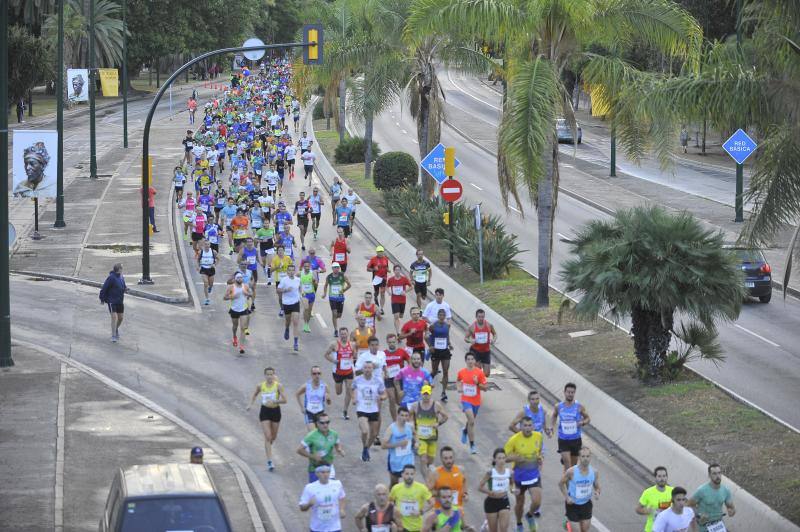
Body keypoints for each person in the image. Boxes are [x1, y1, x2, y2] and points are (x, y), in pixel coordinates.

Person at [504, 417, 543, 532]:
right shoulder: (514, 439)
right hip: (519, 477)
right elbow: (504, 458)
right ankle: (519, 523)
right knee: (520, 504)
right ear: (520, 427)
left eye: (529, 425)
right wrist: (515, 458)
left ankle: (530, 515)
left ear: (533, 426)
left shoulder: (538, 436)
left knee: (537, 501)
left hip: (533, 475)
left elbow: (539, 451)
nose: (527, 428)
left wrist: (540, 458)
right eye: (525, 425)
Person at [247, 367, 287, 471]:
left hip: (275, 411)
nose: (269, 376)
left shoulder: (278, 386)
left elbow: (285, 400)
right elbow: (254, 394)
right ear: (265, 376)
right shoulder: (260, 386)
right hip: (264, 411)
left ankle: (268, 445)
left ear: (274, 375)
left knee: (273, 437)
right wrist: (250, 404)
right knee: (268, 436)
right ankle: (270, 461)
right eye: (267, 374)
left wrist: (275, 401)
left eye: (271, 374)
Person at [559, 447, 600, 532]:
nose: (585, 459)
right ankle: (569, 522)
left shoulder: (594, 472)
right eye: (583, 456)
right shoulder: (571, 471)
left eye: (588, 456)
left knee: (584, 529)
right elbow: (561, 484)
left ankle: (568, 523)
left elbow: (597, 486)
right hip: (573, 504)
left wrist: (597, 492)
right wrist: (567, 497)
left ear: (590, 457)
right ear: (579, 457)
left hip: (586, 505)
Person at [551, 382, 590, 471]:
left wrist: (582, 423)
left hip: (575, 440)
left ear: (574, 393)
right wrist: (552, 426)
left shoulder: (579, 406)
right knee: (568, 464)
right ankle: (567, 483)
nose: (570, 394)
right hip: (563, 439)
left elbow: (588, 418)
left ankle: (569, 480)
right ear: (564, 392)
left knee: (573, 466)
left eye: (572, 392)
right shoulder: (558, 406)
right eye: (568, 392)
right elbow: (554, 415)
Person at [411, 385, 447, 481]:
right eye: (424, 394)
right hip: (421, 438)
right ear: (421, 394)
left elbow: (446, 416)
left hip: (432, 437)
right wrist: (413, 432)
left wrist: (438, 423)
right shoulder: (415, 406)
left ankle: (427, 474)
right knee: (423, 459)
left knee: (430, 461)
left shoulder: (436, 405)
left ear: (431, 394)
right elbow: (410, 419)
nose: (426, 396)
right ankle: (427, 480)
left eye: (427, 394)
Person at [353, 360, 387, 462]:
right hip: (361, 408)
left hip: (373, 409)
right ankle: (364, 447)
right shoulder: (357, 380)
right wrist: (353, 398)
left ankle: (366, 448)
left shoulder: (378, 380)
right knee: (364, 431)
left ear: (373, 369)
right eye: (365, 368)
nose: (367, 370)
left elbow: (385, 394)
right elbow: (352, 389)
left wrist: (381, 397)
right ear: (362, 369)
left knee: (374, 434)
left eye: (369, 368)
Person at [297, 413, 345, 482]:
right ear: (317, 423)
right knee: (315, 491)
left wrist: (339, 449)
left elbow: (337, 443)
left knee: (330, 489)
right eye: (322, 423)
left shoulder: (334, 434)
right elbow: (299, 450)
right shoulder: (311, 436)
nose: (325, 425)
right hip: (315, 468)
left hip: (329, 467)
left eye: (327, 422)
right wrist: (313, 456)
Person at [688, 463, 736, 532]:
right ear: (709, 475)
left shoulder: (725, 490)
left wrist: (732, 511)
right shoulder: (702, 490)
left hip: (719, 526)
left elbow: (731, 508)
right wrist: (699, 515)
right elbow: (688, 505)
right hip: (705, 527)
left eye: (719, 473)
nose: (718, 476)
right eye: (714, 474)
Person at [298, 465, 346, 532]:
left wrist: (342, 509)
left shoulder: (337, 484)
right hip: (317, 528)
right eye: (323, 472)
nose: (326, 474)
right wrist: (309, 504)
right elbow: (302, 507)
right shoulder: (310, 488)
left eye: (328, 472)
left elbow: (342, 497)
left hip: (335, 527)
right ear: (317, 474)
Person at [457, 352, 488, 454]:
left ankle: (465, 431)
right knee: (471, 421)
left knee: (471, 421)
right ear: (466, 361)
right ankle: (472, 445)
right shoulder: (461, 372)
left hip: (476, 401)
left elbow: (485, 388)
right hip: (465, 400)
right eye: (468, 359)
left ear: (475, 361)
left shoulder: (479, 373)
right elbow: (458, 380)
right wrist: (459, 388)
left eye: (472, 359)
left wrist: (477, 383)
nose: (470, 361)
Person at [478, 449, 515, 532]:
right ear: (494, 459)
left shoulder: (510, 473)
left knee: (504, 528)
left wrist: (513, 490)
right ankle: (486, 526)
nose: (502, 460)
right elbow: (480, 487)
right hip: (491, 502)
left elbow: (512, 485)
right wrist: (490, 492)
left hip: (504, 501)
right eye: (499, 458)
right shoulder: (490, 473)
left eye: (503, 458)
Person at [324, 327, 356, 419]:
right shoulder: (334, 344)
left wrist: (353, 359)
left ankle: (345, 411)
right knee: (339, 392)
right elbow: (326, 355)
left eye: (345, 334)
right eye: (341, 334)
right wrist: (334, 361)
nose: (343, 336)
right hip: (338, 372)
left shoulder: (352, 344)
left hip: (349, 371)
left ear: (348, 334)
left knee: (349, 390)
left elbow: (354, 356)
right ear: (339, 335)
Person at [390, 464, 432, 532]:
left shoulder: (421, 488)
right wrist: (395, 513)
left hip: (416, 527)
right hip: (401, 527)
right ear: (402, 474)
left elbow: (432, 502)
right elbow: (389, 503)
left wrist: (421, 512)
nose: (409, 476)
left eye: (412, 474)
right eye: (407, 474)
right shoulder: (396, 488)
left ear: (414, 475)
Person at [382, 407, 416, 487]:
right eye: (402, 415)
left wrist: (417, 442)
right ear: (397, 415)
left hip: (408, 459)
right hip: (395, 461)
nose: (404, 418)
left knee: (409, 482)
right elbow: (383, 445)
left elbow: (415, 434)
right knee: (394, 484)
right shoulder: (391, 428)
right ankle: (391, 498)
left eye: (406, 416)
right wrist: (399, 444)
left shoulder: (410, 426)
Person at [637, 466, 674, 532]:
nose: (662, 479)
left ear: (667, 477)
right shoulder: (648, 492)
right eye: (659, 476)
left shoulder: (673, 491)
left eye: (664, 476)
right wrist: (646, 511)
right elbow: (638, 509)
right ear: (655, 478)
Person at [427, 309, 452, 403]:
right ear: (438, 316)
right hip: (436, 351)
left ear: (445, 316)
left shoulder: (447, 325)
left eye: (443, 315)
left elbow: (447, 335)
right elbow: (428, 336)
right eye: (440, 315)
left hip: (445, 351)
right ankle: (426, 386)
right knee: (434, 371)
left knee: (445, 371)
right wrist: (430, 346)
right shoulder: (433, 326)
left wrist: (449, 344)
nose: (441, 317)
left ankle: (444, 392)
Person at [383, 333, 410, 421]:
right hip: (389, 379)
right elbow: (380, 366)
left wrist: (407, 372)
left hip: (400, 379)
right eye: (390, 342)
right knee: (391, 398)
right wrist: (384, 372)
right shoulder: (383, 354)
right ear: (387, 342)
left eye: (393, 342)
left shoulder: (402, 351)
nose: (392, 344)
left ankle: (404, 417)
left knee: (399, 401)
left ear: (396, 342)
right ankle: (395, 421)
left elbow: (410, 362)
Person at [296, 366, 331, 431]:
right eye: (314, 374)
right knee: (313, 433)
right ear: (311, 375)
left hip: (320, 413)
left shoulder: (324, 386)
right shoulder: (306, 386)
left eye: (318, 373)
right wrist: (302, 407)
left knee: (321, 433)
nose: (317, 375)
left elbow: (329, 403)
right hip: (309, 413)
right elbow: (297, 394)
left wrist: (328, 400)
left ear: (321, 374)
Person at [224, 271, 251, 355]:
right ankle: (234, 336)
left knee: (243, 328)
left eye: (241, 278)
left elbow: (251, 294)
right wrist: (232, 296)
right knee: (235, 326)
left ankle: (241, 346)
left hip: (243, 309)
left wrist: (248, 294)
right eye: (238, 278)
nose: (240, 279)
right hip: (234, 309)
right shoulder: (231, 287)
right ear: (235, 279)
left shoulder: (245, 286)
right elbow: (224, 297)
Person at [465, 309, 497, 378]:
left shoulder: (489, 325)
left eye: (482, 317)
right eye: (479, 317)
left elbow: (495, 334)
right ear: (476, 317)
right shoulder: (472, 327)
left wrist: (493, 340)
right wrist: (471, 341)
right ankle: (477, 386)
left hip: (486, 351)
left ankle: (477, 380)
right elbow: (465, 338)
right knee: (478, 371)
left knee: (487, 374)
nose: (481, 319)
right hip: (475, 351)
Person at [99, 263, 127, 342]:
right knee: (114, 318)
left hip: (120, 301)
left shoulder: (121, 277)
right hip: (112, 301)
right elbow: (104, 288)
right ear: (119, 269)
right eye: (122, 268)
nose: (122, 270)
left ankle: (116, 329)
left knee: (120, 318)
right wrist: (102, 299)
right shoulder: (111, 278)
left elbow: (123, 287)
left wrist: (126, 289)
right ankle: (113, 336)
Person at [277, 263, 302, 351]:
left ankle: (295, 343)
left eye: (292, 270)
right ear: (287, 271)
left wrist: (302, 296)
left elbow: (300, 289)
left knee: (295, 322)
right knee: (288, 321)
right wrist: (285, 290)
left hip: (296, 303)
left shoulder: (298, 280)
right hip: (287, 303)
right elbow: (278, 290)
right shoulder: (284, 280)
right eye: (289, 270)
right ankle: (287, 328)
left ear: (294, 271)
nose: (291, 272)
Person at [322, 262, 351, 336]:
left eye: (337, 268)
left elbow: (349, 285)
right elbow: (325, 286)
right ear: (332, 269)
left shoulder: (343, 276)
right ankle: (335, 330)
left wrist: (343, 290)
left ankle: (335, 318)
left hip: (340, 298)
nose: (336, 269)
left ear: (339, 268)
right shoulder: (329, 277)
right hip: (332, 298)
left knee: (339, 315)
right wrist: (325, 294)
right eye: (334, 268)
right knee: (334, 314)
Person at [386, 265, 412, 333]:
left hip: (402, 300)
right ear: (394, 271)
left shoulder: (404, 279)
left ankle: (398, 321)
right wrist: (389, 292)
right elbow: (386, 286)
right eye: (396, 270)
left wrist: (405, 291)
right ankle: (398, 332)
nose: (397, 271)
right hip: (394, 300)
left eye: (399, 270)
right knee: (396, 316)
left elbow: (411, 287)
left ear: (400, 271)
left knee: (401, 316)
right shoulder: (391, 280)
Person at [367, 246, 391, 313]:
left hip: (384, 278)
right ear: (376, 252)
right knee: (377, 292)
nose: (380, 253)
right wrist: (373, 269)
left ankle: (381, 308)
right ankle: (375, 297)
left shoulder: (385, 259)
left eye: (381, 251)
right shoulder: (373, 259)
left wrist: (388, 270)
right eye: (379, 252)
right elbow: (367, 269)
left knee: (382, 293)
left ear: (383, 252)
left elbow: (387, 267)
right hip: (376, 278)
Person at [300, 259, 318, 334]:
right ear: (303, 267)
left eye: (308, 266)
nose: (306, 267)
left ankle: (307, 324)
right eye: (305, 266)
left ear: (310, 266)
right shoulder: (300, 273)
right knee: (306, 308)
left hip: (311, 294)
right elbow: (296, 281)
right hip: (304, 294)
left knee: (309, 310)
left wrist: (314, 282)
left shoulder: (313, 273)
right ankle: (305, 324)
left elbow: (316, 285)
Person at [198, 239, 217, 305]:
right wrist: (198, 266)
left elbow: (218, 259)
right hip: (204, 269)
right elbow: (198, 260)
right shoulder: (201, 252)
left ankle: (210, 287)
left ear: (210, 245)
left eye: (208, 244)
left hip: (211, 269)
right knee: (206, 283)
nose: (207, 245)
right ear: (203, 245)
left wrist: (214, 265)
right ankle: (207, 299)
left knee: (210, 284)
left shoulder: (213, 252)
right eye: (205, 244)